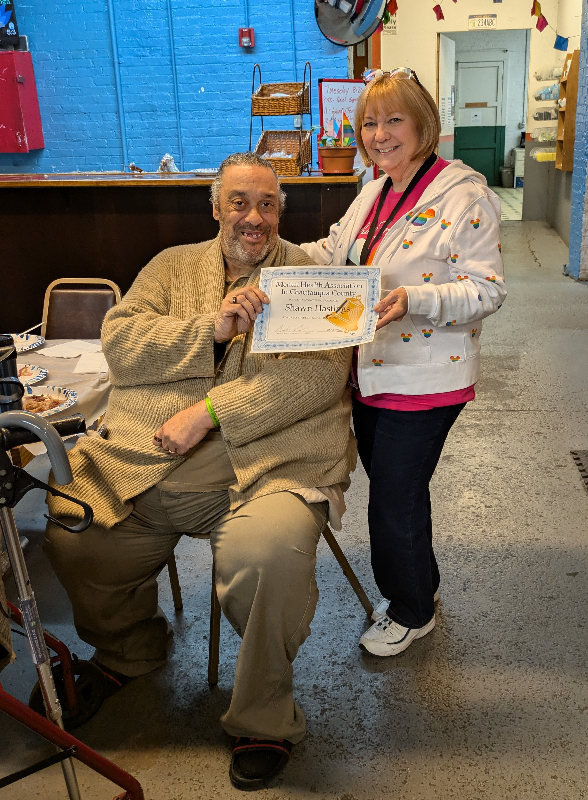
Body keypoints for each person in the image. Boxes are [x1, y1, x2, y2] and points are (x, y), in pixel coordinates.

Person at [44, 152, 356, 791]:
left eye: (268, 204)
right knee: (77, 541)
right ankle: (129, 650)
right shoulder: (170, 267)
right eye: (239, 202)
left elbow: (318, 375)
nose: (254, 218)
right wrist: (208, 330)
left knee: (268, 558)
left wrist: (208, 411)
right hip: (146, 463)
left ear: (281, 213)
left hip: (269, 466)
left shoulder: (308, 276)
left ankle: (264, 714)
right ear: (215, 207)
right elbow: (122, 346)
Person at [301, 69, 506, 658]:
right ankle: (423, 588)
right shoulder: (376, 188)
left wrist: (419, 298)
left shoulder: (465, 194)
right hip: (370, 371)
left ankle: (411, 611)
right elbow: (336, 249)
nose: (379, 134)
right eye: (369, 122)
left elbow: (488, 290)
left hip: (425, 378)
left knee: (394, 500)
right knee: (402, 496)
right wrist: (278, 258)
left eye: (394, 120)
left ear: (423, 125)